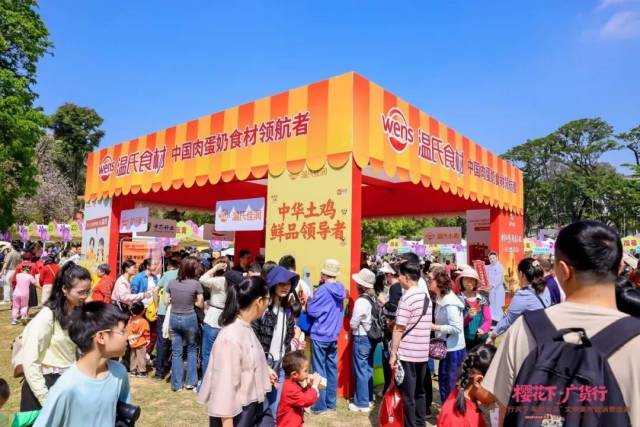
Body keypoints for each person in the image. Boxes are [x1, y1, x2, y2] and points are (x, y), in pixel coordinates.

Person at [483, 221, 640, 426]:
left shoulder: (525, 329)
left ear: (563, 270)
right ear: (620, 267)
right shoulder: (635, 339)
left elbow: (506, 413)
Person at [33, 302, 131, 427]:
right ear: (101, 337)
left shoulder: (119, 373)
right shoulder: (66, 387)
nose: (128, 336)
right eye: (123, 331)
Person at [198, 276, 278, 426]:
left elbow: (247, 358)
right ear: (259, 301)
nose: (269, 303)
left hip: (254, 407)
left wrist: (264, 370)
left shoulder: (246, 327)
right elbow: (224, 388)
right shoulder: (230, 337)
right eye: (268, 299)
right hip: (238, 415)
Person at [20, 262, 91, 411]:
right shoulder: (47, 316)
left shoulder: (78, 313)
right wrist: (45, 398)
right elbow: (30, 360)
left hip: (67, 382)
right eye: (81, 292)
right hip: (44, 385)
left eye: (87, 292)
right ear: (64, 289)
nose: (85, 296)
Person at [389, 262, 433, 427]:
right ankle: (420, 423)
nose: (398, 278)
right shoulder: (426, 297)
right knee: (419, 392)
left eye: (399, 275)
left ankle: (411, 424)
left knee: (408, 395)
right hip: (422, 353)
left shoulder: (406, 298)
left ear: (406, 277)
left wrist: (393, 353)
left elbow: (399, 328)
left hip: (407, 353)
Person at [253, 265, 299, 419]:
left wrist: (293, 347)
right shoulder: (263, 309)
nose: (285, 287)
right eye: (281, 283)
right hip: (263, 363)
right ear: (273, 285)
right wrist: (262, 363)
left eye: (288, 284)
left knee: (275, 404)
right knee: (258, 404)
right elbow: (254, 336)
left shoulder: (288, 310)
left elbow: (289, 336)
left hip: (281, 363)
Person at [306, 259, 346, 414]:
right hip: (333, 335)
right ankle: (331, 402)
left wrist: (309, 300)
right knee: (331, 369)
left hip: (320, 333)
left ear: (324, 273)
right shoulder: (340, 288)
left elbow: (312, 310)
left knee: (318, 370)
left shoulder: (323, 290)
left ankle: (319, 405)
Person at [486, 257, 551, 342]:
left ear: (521, 274)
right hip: (546, 333)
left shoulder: (523, 295)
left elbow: (508, 320)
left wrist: (493, 335)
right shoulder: (545, 288)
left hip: (533, 339)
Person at [166, 256, 204, 392]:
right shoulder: (196, 284)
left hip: (174, 317)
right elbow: (200, 304)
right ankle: (191, 382)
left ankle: (176, 384)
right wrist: (191, 300)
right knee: (192, 350)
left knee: (176, 352)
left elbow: (165, 301)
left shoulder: (171, 283)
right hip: (189, 317)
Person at [436, 344, 497, 427]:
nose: (499, 395)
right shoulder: (455, 420)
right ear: (478, 381)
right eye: (497, 386)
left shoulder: (464, 396)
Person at [430, 268, 466, 404]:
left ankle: (451, 413)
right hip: (447, 348)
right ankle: (447, 411)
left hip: (453, 349)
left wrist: (435, 327)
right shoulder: (441, 297)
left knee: (450, 385)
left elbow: (456, 327)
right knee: (445, 382)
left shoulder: (450, 301)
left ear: (439, 281)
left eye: (431, 279)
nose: (428, 282)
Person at [348, 268, 377, 413]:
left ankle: (361, 402)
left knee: (360, 370)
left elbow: (354, 323)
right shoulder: (372, 298)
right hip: (371, 338)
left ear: (361, 285)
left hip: (361, 337)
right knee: (368, 368)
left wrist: (350, 325)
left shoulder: (361, 301)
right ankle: (369, 398)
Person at [199, 257, 230, 372]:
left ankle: (206, 380)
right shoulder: (231, 281)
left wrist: (214, 268)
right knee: (223, 355)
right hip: (226, 318)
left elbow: (202, 279)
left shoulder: (220, 280)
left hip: (213, 318)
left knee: (207, 353)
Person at [277, 350, 321, 427]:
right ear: (294, 374)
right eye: (305, 371)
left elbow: (301, 396)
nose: (308, 373)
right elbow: (306, 400)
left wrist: (308, 386)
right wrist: (314, 386)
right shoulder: (290, 389)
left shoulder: (292, 383)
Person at [154, 257, 178, 380]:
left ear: (169, 266)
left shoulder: (167, 274)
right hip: (179, 311)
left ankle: (159, 371)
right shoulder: (184, 274)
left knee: (162, 341)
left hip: (164, 311)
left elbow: (155, 290)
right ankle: (173, 368)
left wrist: (156, 306)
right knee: (176, 341)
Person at [457, 267, 491, 350]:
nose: (469, 282)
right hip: (464, 341)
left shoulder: (482, 299)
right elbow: (457, 324)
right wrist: (469, 317)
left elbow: (488, 320)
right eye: (466, 279)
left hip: (480, 340)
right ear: (461, 281)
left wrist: (483, 329)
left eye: (472, 279)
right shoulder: (457, 300)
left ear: (476, 282)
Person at [127, 302, 150, 377]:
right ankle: (141, 371)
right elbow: (146, 332)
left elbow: (127, 330)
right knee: (141, 357)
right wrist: (147, 339)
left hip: (132, 341)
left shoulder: (130, 320)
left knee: (133, 356)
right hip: (141, 342)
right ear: (143, 311)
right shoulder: (143, 321)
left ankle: (133, 370)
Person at [485, 252, 505, 325]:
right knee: (492, 304)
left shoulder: (500, 267)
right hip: (492, 290)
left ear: (497, 258)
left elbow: (498, 279)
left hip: (498, 289)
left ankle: (499, 320)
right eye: (490, 258)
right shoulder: (489, 266)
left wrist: (491, 286)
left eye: (493, 258)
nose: (492, 260)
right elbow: (483, 268)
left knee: (499, 304)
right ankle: (493, 319)